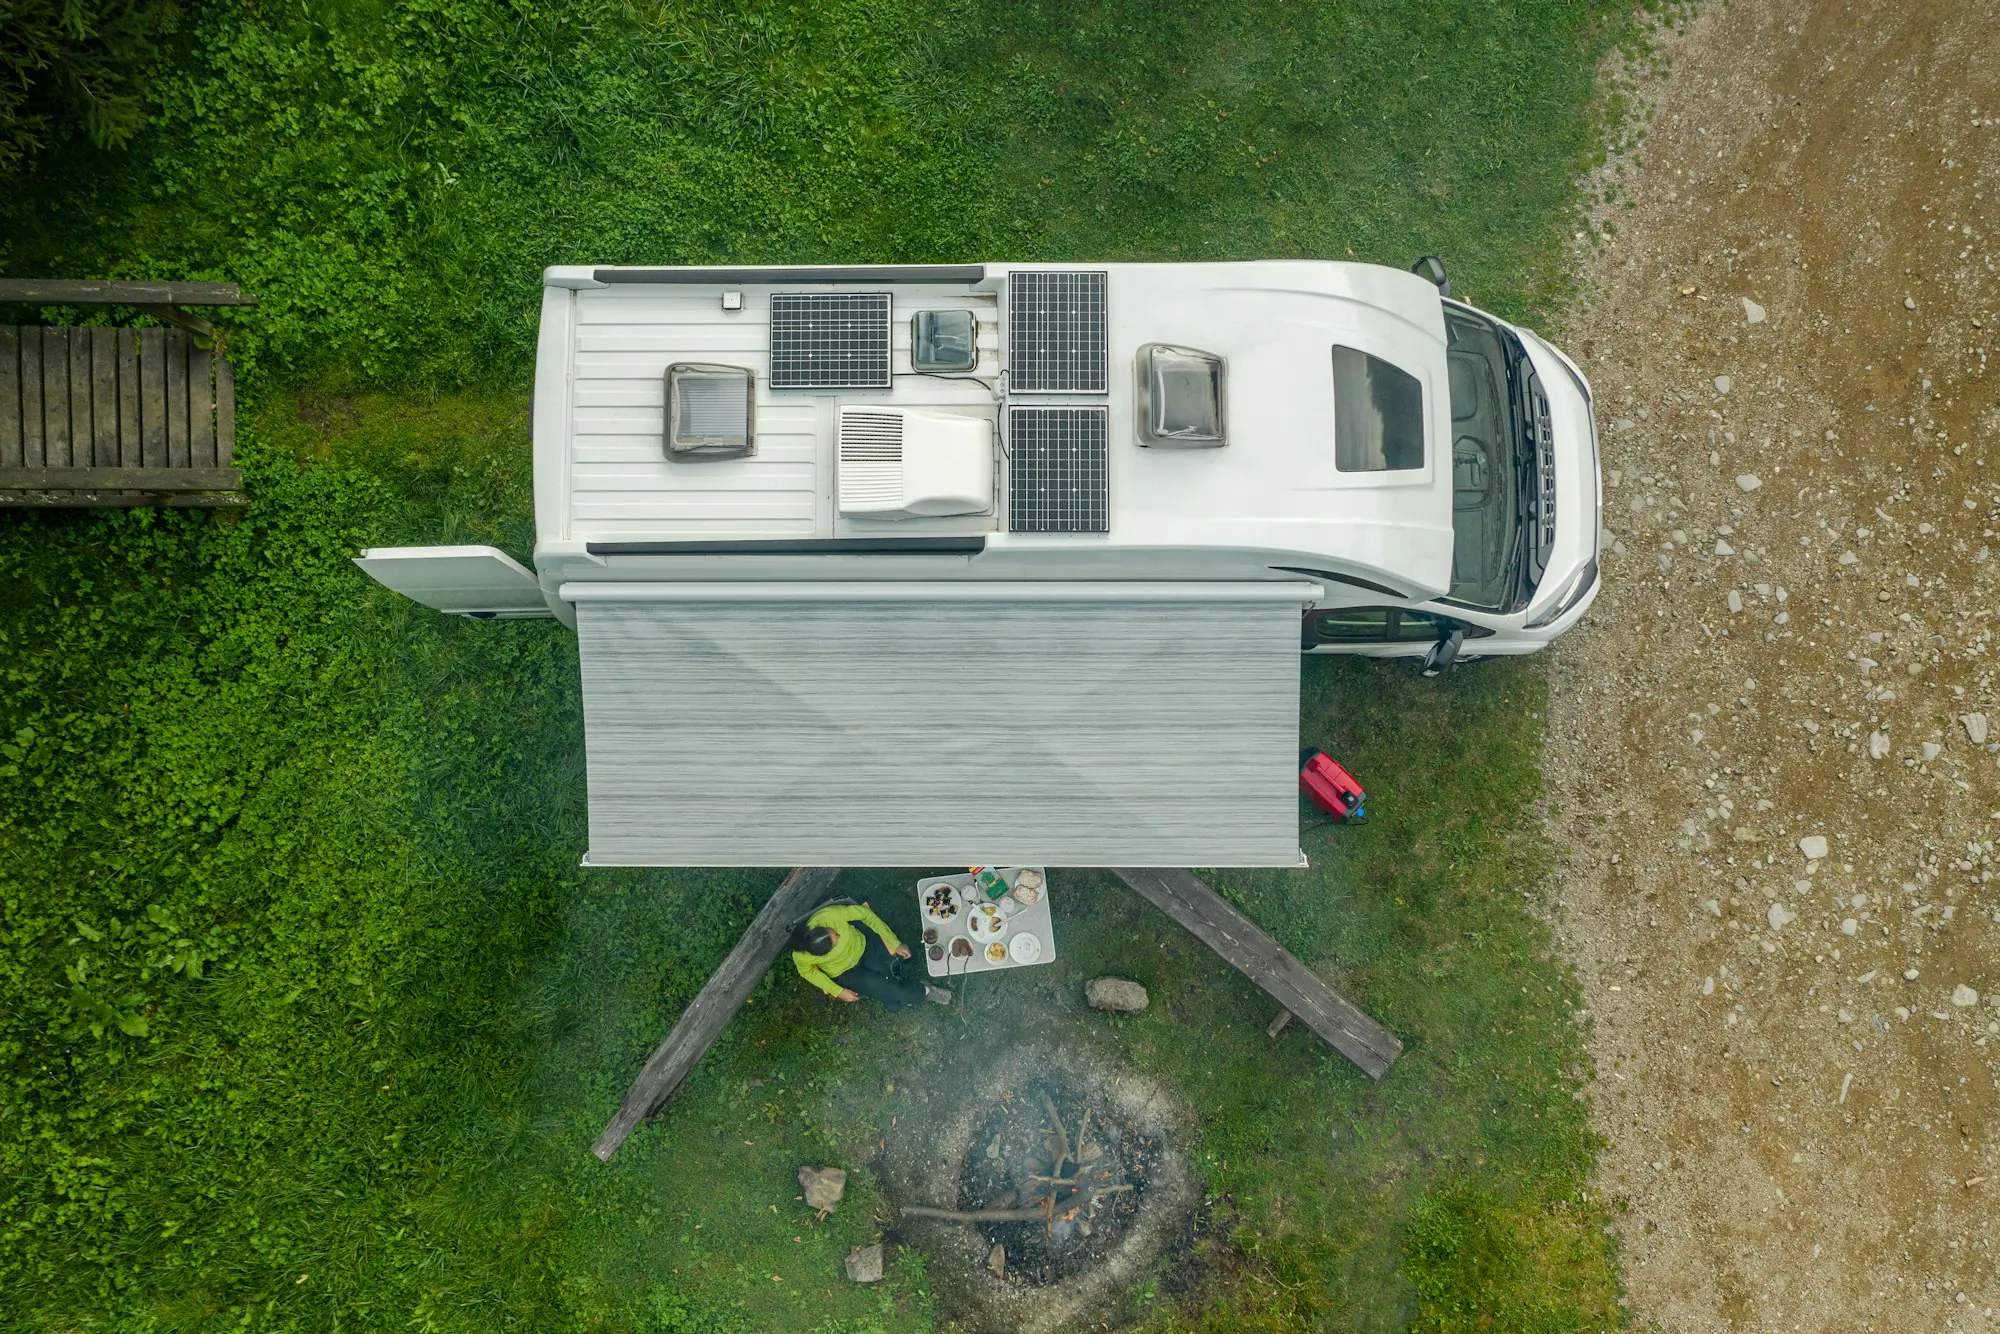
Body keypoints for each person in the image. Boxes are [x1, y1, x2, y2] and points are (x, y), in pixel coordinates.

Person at [791, 901, 951, 1011]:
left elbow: (865, 915)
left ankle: (909, 995)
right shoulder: (802, 956)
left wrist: (893, 942)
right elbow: (807, 972)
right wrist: (837, 991)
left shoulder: (830, 916)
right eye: (836, 941)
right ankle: (925, 991)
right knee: (889, 989)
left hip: (864, 947)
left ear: (822, 927)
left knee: (891, 994)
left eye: (835, 933)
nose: (839, 936)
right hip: (845, 972)